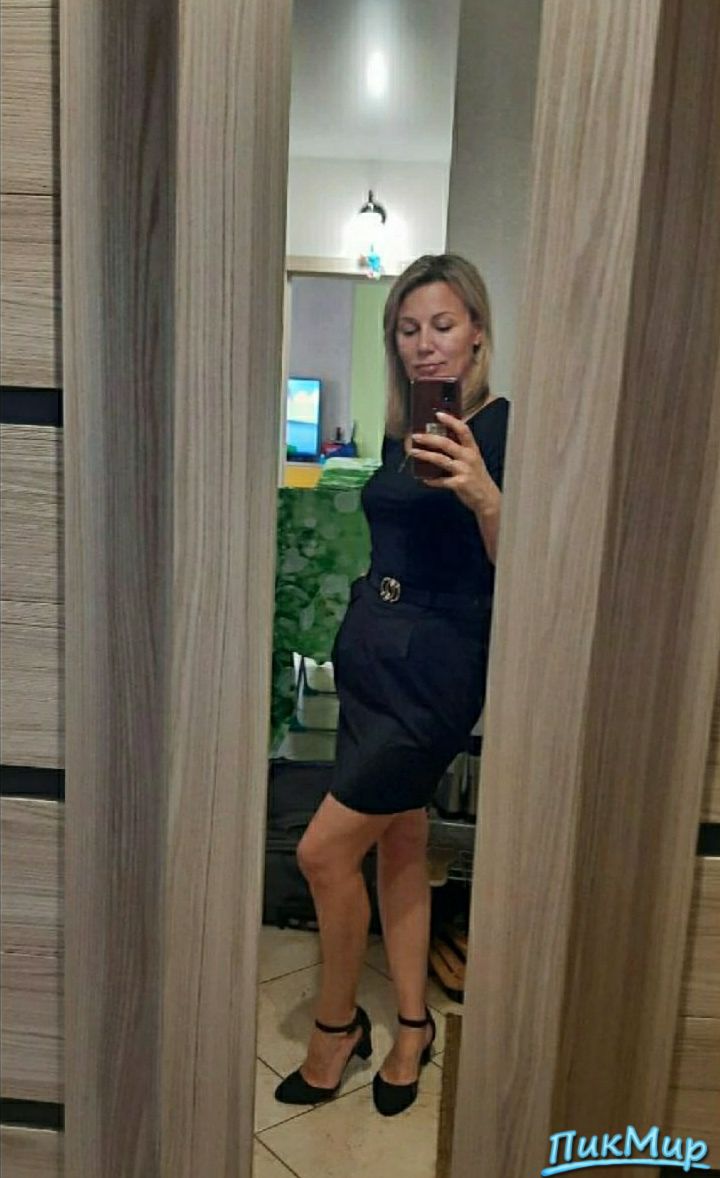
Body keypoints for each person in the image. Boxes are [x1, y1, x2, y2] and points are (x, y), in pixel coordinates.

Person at [274, 253, 510, 1116]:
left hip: (437, 671)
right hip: (374, 655)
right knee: (400, 842)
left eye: (442, 325)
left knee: (323, 852)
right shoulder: (407, 428)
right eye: (408, 329)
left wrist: (487, 495)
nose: (425, 344)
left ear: (477, 331)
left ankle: (336, 1028)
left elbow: (525, 569)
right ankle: (413, 1023)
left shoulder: (502, 429)